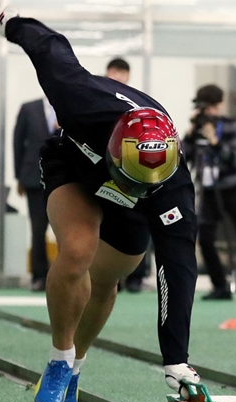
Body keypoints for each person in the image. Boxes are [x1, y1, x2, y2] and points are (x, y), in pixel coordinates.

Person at [0, 8, 201, 402]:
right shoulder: (78, 98)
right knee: (77, 249)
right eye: (130, 179)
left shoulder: (171, 188)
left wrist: (176, 360)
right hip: (74, 169)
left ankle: (76, 369)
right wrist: (12, 22)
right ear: (114, 149)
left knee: (107, 280)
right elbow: (50, 48)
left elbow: (178, 271)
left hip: (137, 207)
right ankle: (59, 356)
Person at [183, 85, 236, 301]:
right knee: (205, 238)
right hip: (209, 190)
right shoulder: (197, 129)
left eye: (209, 107)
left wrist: (214, 141)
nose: (207, 112)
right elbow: (183, 157)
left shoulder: (234, 125)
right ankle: (219, 285)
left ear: (219, 104)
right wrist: (191, 133)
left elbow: (235, 157)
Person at [103, 57, 148, 293]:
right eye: (115, 71)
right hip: (103, 170)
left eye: (123, 72)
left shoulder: (136, 102)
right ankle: (108, 276)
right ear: (107, 72)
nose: (119, 76)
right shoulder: (97, 98)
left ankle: (135, 278)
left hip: (130, 172)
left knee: (135, 222)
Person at [13, 96, 56, 292]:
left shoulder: (69, 106)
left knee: (68, 232)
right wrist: (19, 177)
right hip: (33, 178)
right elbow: (18, 141)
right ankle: (39, 277)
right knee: (38, 230)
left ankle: (65, 278)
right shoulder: (29, 108)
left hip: (63, 179)